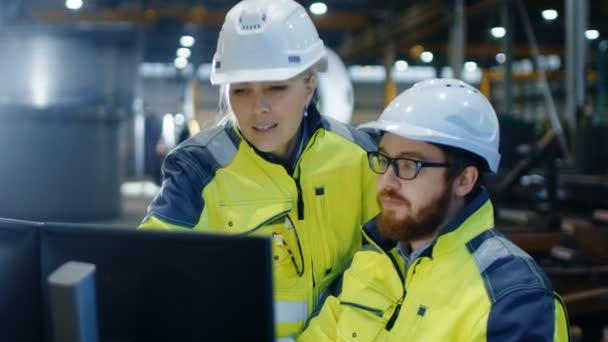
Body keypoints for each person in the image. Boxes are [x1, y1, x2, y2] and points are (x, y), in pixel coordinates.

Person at [138, 0, 378, 338]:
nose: (257, 109)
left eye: (276, 88)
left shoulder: (361, 159)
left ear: (309, 86)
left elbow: (387, 268)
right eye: (241, 91)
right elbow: (145, 271)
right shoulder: (199, 168)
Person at [297, 78, 570, 341]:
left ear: (463, 180)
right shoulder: (368, 264)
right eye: (383, 160)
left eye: (409, 165)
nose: (386, 182)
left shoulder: (511, 299)